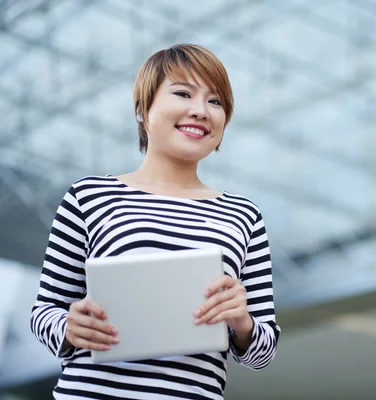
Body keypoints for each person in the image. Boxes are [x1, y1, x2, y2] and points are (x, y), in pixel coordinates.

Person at [30, 44, 280, 399]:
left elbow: (263, 352)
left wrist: (242, 322)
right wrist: (70, 327)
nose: (200, 111)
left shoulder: (244, 216)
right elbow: (44, 313)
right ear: (143, 109)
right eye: (182, 93)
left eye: (216, 102)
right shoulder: (89, 197)